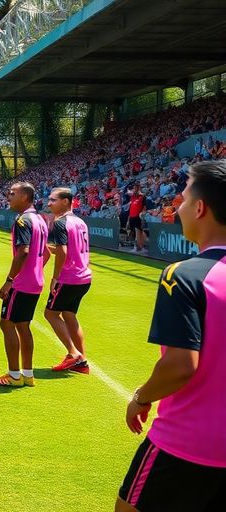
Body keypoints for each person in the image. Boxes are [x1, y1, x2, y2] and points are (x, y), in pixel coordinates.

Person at [116, 160, 226, 511]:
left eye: (181, 199)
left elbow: (181, 366)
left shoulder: (185, 275)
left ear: (200, 208)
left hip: (187, 442)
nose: (176, 207)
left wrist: (142, 397)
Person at [0, 182, 48, 387]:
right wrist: (36, 270)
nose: (8, 196)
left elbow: (22, 252)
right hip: (35, 282)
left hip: (22, 283)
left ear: (25, 197)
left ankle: (14, 375)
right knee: (24, 326)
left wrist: (9, 281)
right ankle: (28, 374)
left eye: (12, 193)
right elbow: (46, 252)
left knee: (7, 324)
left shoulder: (23, 221)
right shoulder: (40, 219)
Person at [45, 188, 93, 374]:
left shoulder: (60, 223)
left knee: (50, 314)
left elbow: (64, 251)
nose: (49, 203)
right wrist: (49, 247)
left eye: (53, 200)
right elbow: (70, 249)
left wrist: (55, 278)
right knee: (69, 314)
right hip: (84, 276)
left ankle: (74, 355)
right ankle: (81, 361)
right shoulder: (80, 222)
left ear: (66, 201)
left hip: (69, 277)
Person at [128, 184, 147, 252]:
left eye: (136, 188)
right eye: (134, 188)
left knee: (139, 232)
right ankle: (135, 247)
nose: (135, 190)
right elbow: (131, 206)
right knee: (132, 233)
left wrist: (142, 213)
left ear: (139, 189)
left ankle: (141, 247)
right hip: (131, 217)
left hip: (138, 217)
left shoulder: (142, 197)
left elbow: (144, 207)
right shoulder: (132, 197)